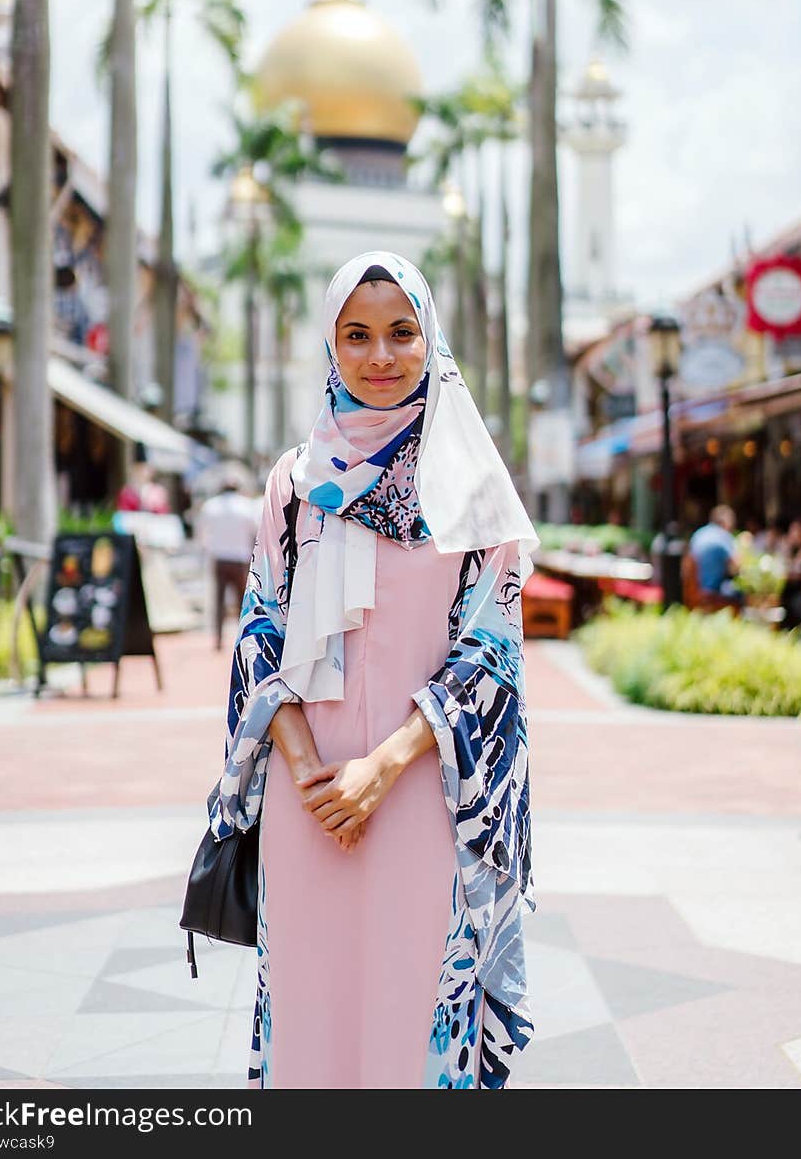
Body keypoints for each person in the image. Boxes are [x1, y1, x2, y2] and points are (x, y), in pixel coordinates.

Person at [210, 251, 539, 1090]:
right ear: (331, 345)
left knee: (411, 1014)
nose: (380, 356)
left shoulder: (470, 488)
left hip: (425, 794)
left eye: (401, 332)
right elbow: (260, 631)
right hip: (308, 797)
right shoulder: (295, 481)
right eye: (356, 336)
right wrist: (309, 771)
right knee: (313, 1017)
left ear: (431, 339)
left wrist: (382, 767)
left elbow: (490, 650)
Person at [195, 467, 259, 650]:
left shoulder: (211, 506)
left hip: (220, 558)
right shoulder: (246, 506)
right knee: (242, 601)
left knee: (219, 600)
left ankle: (218, 639)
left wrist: (209, 548)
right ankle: (244, 637)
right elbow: (255, 531)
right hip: (240, 558)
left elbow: (201, 532)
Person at [688, 504, 741, 597]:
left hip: (695, 589)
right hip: (713, 590)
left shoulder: (698, 533)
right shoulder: (724, 535)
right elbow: (736, 567)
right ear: (726, 522)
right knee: (742, 590)